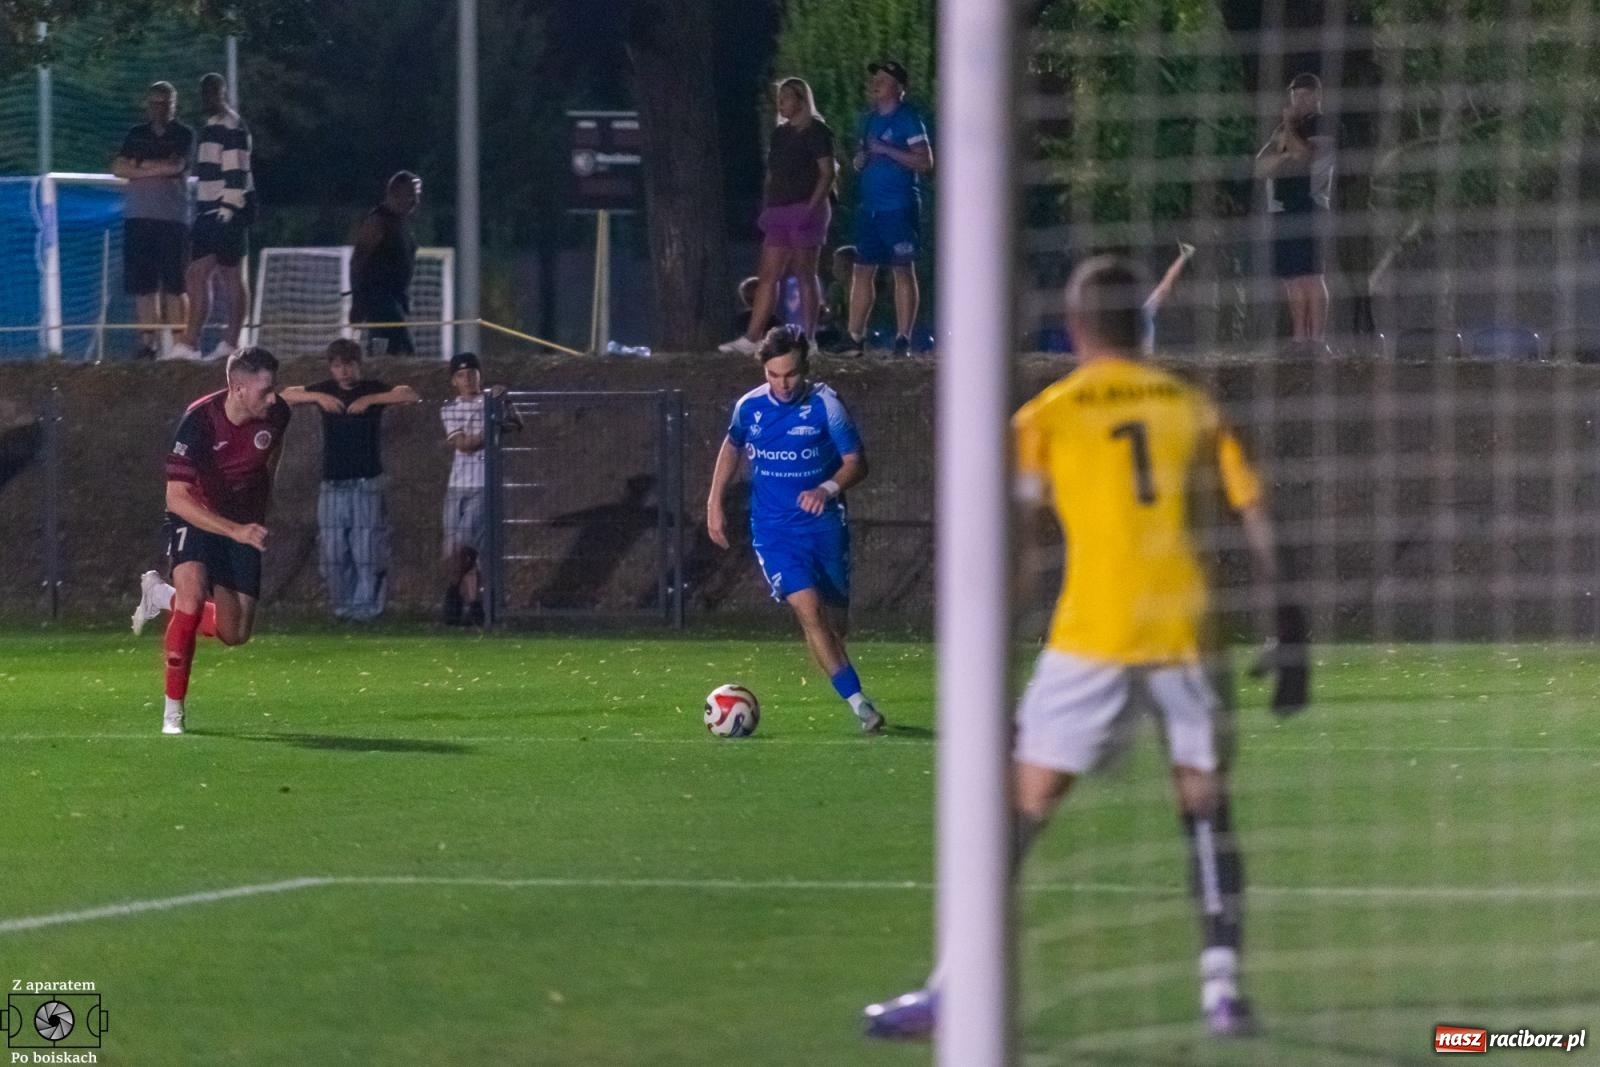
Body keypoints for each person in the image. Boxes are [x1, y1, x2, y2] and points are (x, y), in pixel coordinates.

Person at [862, 257, 1310, 1039]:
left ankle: (951, 989)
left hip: (1091, 639)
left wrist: (989, 665)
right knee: (1204, 808)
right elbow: (1257, 515)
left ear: (1073, 330)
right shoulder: (1193, 407)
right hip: (1187, 634)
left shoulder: (1045, 417)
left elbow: (1022, 553)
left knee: (1020, 812)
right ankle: (1223, 992)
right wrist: (1293, 629)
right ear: (1143, 320)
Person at [706, 325, 885, 733]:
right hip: (774, 532)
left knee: (835, 626)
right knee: (808, 609)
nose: (782, 384)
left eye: (790, 374)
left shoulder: (826, 406)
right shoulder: (749, 408)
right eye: (773, 375)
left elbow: (857, 462)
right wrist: (714, 501)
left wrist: (826, 488)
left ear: (805, 367)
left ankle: (839, 671)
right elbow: (732, 445)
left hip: (824, 527)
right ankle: (860, 705)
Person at [129, 347, 290, 735]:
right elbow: (176, 498)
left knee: (235, 634)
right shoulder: (198, 422)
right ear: (236, 388)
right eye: (265, 391)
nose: (273, 398)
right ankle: (173, 714)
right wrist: (232, 530)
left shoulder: (279, 413)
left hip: (243, 522)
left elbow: (271, 454)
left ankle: (158, 595)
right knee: (190, 602)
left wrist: (260, 504)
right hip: (195, 515)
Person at [281, 338, 420, 621]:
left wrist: (369, 400)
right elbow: (285, 395)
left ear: (359, 365)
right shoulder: (325, 390)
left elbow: (409, 394)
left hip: (366, 483)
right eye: (338, 366)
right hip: (332, 484)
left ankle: (367, 610)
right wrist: (318, 398)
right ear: (331, 368)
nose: (344, 372)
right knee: (333, 549)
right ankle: (342, 608)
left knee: (366, 549)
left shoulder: (372, 388)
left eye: (349, 365)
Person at [719, 77, 836, 356]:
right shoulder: (779, 134)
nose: (780, 103)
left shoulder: (817, 131)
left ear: (800, 100)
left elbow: (827, 172)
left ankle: (809, 338)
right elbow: (773, 174)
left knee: (805, 273)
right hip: (779, 209)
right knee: (768, 275)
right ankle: (751, 337)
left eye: (786, 97)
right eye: (779, 98)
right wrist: (768, 205)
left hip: (805, 208)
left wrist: (812, 207)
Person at [827, 61, 932, 359]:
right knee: (861, 270)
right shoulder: (869, 120)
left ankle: (903, 339)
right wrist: (860, 161)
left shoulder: (908, 119)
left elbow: (925, 162)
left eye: (884, 80)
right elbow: (865, 154)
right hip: (870, 209)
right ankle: (854, 337)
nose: (876, 83)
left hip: (899, 207)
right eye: (875, 78)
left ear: (899, 88)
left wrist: (887, 150)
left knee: (902, 269)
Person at [167, 72, 254, 363]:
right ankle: (192, 343)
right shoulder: (210, 126)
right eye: (204, 93)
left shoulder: (231, 125)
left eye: (212, 93)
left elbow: (236, 168)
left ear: (222, 93)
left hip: (225, 208)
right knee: (198, 274)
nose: (207, 99)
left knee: (228, 274)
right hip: (208, 208)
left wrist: (228, 207)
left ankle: (227, 342)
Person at [111, 81, 193, 361]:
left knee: (175, 284)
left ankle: (180, 345)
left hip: (172, 219)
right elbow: (118, 167)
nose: (159, 108)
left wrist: (140, 167)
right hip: (138, 216)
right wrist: (152, 169)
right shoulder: (136, 134)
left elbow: (176, 166)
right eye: (155, 102)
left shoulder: (183, 134)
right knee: (143, 285)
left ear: (174, 105)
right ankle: (148, 343)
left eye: (165, 103)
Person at [1254, 72, 1335, 345]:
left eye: (1303, 95)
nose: (1297, 101)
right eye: (1294, 95)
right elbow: (1260, 167)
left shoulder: (1323, 125)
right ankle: (1300, 337)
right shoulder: (1282, 130)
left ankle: (1318, 339)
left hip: (1311, 206)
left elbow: (1303, 155)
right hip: (1280, 208)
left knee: (1312, 276)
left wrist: (1287, 137)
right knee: (1292, 278)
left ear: (1317, 96)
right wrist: (1285, 150)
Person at [440, 351, 520, 625]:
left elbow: (516, 422)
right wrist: (493, 427)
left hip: (482, 482)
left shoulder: (492, 401)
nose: (468, 379)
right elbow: (463, 444)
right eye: (462, 375)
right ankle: (473, 606)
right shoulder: (450, 408)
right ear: (454, 380)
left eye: (473, 373)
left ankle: (452, 595)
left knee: (466, 544)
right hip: (457, 485)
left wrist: (504, 402)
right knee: (456, 550)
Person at [351, 171, 423, 356]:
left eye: (417, 195)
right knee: (394, 350)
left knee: (397, 349)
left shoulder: (401, 223)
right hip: (379, 299)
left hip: (394, 298)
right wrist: (358, 302)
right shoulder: (377, 221)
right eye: (412, 195)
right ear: (396, 193)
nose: (416, 200)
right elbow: (358, 260)